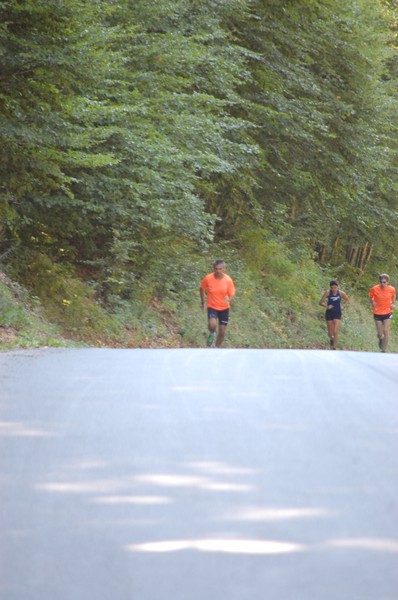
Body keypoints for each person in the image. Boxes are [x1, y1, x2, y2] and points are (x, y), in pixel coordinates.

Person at [200, 260, 236, 348]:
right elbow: (201, 288)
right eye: (216, 269)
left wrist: (229, 298)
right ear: (213, 268)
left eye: (220, 269)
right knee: (212, 324)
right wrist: (202, 302)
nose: (218, 271)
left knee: (222, 331)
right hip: (212, 306)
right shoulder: (208, 278)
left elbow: (232, 292)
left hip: (224, 308)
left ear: (224, 269)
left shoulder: (228, 280)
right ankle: (212, 333)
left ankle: (216, 348)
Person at [319, 279, 349, 350]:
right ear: (330, 288)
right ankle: (332, 339)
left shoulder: (341, 293)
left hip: (337, 313)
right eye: (332, 288)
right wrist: (327, 306)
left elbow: (347, 300)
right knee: (330, 332)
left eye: (335, 288)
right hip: (329, 313)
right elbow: (320, 302)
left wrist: (343, 306)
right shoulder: (327, 293)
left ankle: (334, 347)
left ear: (337, 287)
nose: (333, 289)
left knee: (335, 331)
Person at [369, 274, 396, 352]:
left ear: (387, 282)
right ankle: (381, 338)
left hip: (388, 312)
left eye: (384, 282)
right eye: (381, 282)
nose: (382, 284)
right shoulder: (374, 288)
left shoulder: (392, 289)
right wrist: (372, 302)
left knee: (385, 330)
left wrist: (392, 304)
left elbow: (394, 296)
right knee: (380, 334)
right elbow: (370, 296)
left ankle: (383, 350)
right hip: (377, 312)